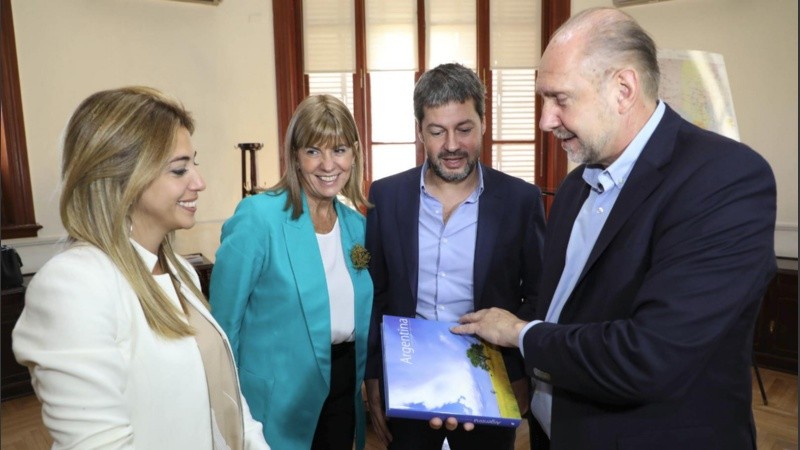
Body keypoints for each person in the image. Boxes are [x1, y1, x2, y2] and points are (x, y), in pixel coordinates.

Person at [452, 7, 777, 450]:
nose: (545, 120)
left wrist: (517, 332)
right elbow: (564, 316)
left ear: (623, 89)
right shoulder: (573, 188)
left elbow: (648, 356)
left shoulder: (725, 179)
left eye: (560, 99)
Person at [12, 86, 271, 450]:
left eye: (194, 164)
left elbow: (225, 399)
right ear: (121, 177)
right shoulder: (74, 285)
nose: (199, 182)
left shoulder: (180, 270)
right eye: (180, 169)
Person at [364, 62, 546, 450]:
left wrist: (523, 373)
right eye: (437, 131)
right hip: (408, 383)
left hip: (491, 383)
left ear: (483, 124)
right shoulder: (385, 197)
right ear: (420, 132)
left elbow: (538, 295)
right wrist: (373, 379)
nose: (451, 145)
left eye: (464, 129)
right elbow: (376, 295)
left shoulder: (520, 200)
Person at [210, 94, 374, 450]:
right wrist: (227, 402)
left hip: (344, 385)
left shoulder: (357, 227)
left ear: (355, 154)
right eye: (314, 151)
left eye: (340, 150)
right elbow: (223, 326)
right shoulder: (258, 218)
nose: (328, 164)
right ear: (295, 156)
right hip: (276, 396)